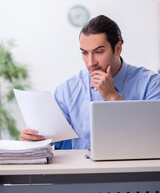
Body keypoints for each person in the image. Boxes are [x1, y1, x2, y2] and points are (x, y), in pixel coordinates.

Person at [20, 15, 160, 149]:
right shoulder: (67, 89)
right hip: (81, 171)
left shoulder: (151, 84)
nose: (90, 62)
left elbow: (154, 136)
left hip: (137, 170)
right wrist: (33, 140)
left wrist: (112, 97)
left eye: (99, 51)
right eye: (84, 53)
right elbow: (52, 143)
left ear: (117, 48)